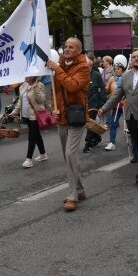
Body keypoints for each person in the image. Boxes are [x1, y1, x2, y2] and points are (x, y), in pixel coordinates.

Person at [99, 48, 138, 187]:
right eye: (134, 57)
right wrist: (104, 108)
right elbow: (116, 95)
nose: (136, 59)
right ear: (131, 60)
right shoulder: (126, 76)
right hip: (130, 115)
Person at [46, 37, 90, 211]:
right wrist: (53, 109)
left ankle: (72, 196)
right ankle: (79, 189)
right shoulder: (60, 65)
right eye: (65, 46)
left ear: (79, 50)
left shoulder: (83, 67)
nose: (67, 49)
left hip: (77, 116)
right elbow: (55, 91)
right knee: (67, 157)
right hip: (62, 116)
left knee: (71, 154)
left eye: (71, 47)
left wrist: (57, 69)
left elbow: (72, 86)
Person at [12, 76, 48, 168]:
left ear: (33, 76)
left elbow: (41, 100)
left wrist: (35, 89)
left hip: (35, 115)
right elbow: (20, 100)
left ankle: (29, 160)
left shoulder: (40, 85)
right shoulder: (24, 85)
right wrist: (14, 112)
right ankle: (43, 154)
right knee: (36, 135)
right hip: (26, 115)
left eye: (27, 75)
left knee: (31, 136)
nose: (25, 77)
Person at [82, 55, 107, 153]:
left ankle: (87, 144)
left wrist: (102, 105)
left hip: (93, 104)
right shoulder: (80, 75)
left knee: (90, 123)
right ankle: (97, 137)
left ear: (91, 66)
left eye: (87, 66)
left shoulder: (96, 75)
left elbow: (102, 90)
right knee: (91, 124)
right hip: (83, 104)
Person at [103, 63, 125, 151]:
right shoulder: (112, 79)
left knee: (132, 123)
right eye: (115, 69)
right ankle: (112, 143)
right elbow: (107, 90)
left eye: (118, 69)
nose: (116, 71)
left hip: (126, 104)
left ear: (122, 70)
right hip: (116, 104)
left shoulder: (126, 78)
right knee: (113, 123)